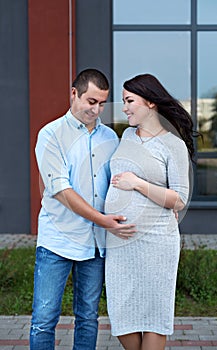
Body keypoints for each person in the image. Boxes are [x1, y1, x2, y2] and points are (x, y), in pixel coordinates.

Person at [29, 68, 136, 350]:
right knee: (44, 319)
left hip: (96, 246)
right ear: (73, 93)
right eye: (91, 102)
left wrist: (166, 201)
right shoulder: (50, 135)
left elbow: (122, 180)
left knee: (88, 318)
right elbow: (62, 192)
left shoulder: (110, 137)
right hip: (57, 241)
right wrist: (103, 220)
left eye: (102, 103)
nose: (96, 109)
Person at [105, 73, 195, 350]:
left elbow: (179, 199)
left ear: (151, 103)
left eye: (129, 100)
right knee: (121, 313)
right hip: (121, 243)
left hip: (156, 242)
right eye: (123, 101)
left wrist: (138, 184)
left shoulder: (173, 145)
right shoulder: (128, 135)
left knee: (154, 315)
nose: (124, 107)